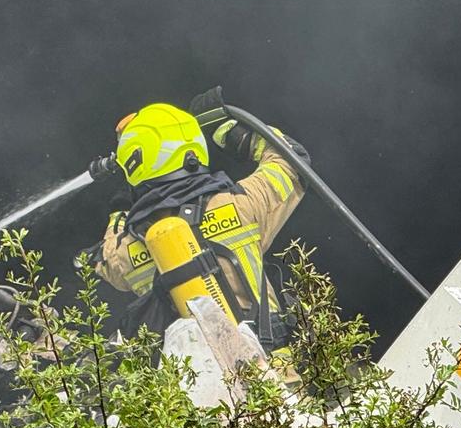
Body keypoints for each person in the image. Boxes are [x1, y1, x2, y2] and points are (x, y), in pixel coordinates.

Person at [91, 95, 306, 349]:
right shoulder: (242, 204)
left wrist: (120, 212)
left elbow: (103, 261)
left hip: (196, 384)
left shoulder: (127, 251)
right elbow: (293, 161)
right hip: (276, 373)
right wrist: (233, 133)